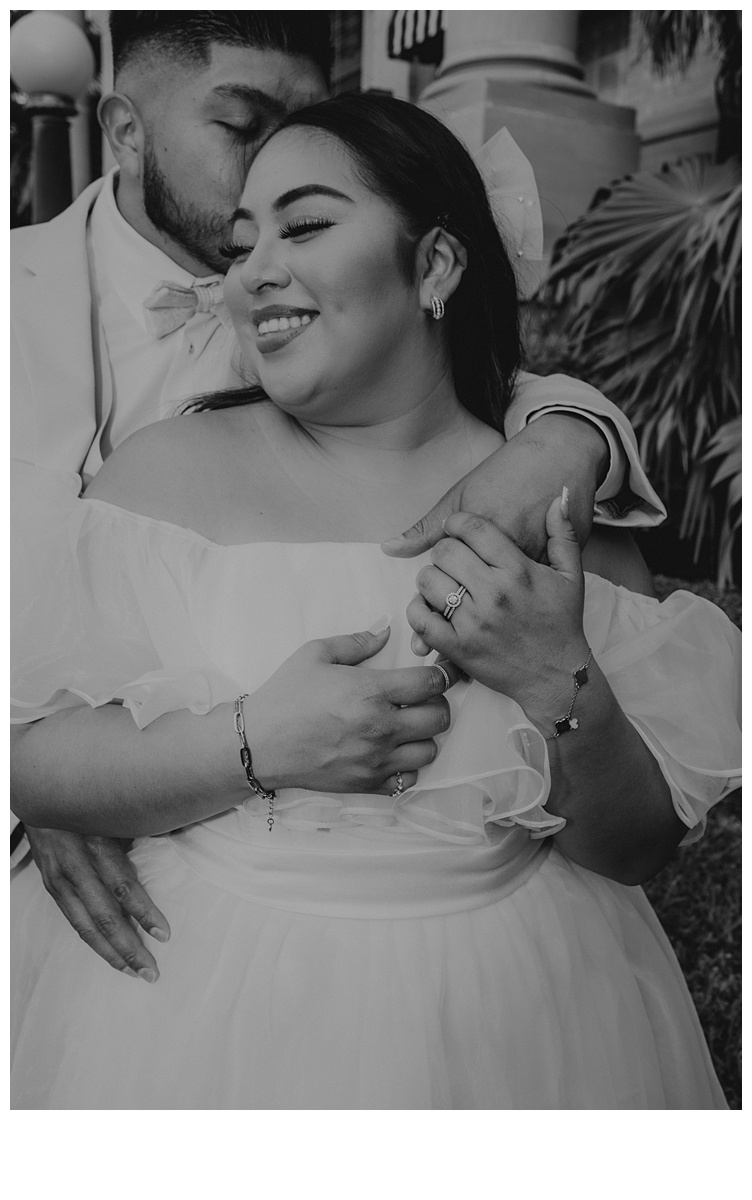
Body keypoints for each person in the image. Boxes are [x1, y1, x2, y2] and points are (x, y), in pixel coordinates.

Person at [11, 94, 740, 1109]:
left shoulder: (562, 511)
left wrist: (554, 679)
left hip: (531, 1020)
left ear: (434, 266)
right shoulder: (162, 475)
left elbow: (635, 847)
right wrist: (253, 741)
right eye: (241, 240)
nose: (254, 267)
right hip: (206, 1026)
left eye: (304, 226)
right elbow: (36, 765)